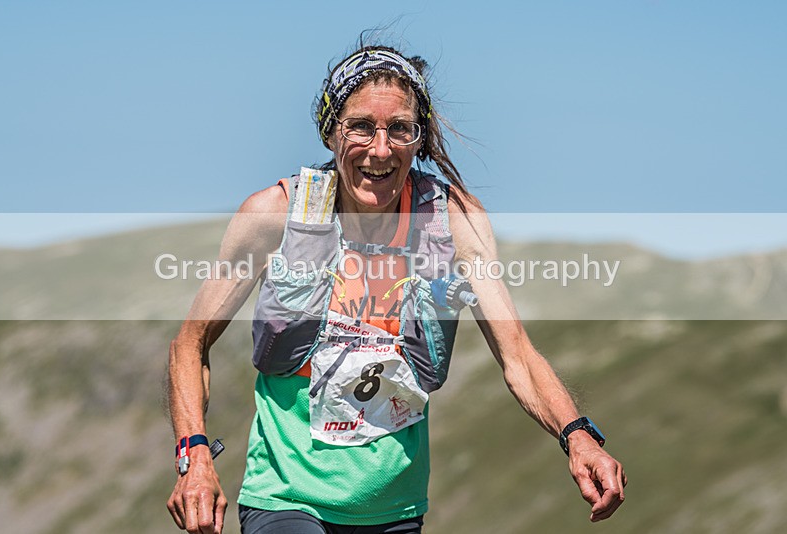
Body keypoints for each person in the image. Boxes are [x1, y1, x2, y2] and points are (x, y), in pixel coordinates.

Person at [167, 42, 626, 534]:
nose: (380, 150)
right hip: (285, 500)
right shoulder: (274, 215)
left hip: (395, 512)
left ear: (418, 138)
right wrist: (194, 455)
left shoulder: (452, 222)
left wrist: (577, 436)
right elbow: (189, 345)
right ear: (330, 132)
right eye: (361, 126)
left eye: (399, 130)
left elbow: (517, 355)